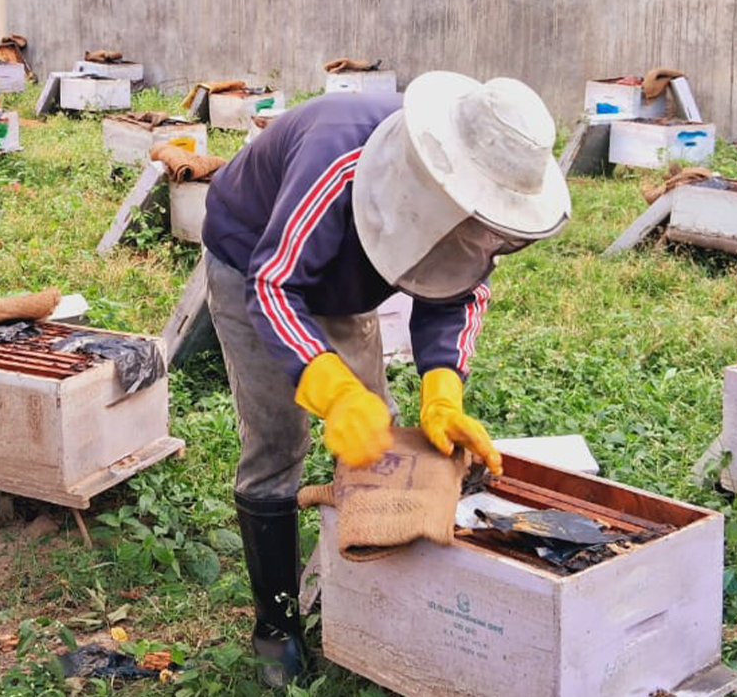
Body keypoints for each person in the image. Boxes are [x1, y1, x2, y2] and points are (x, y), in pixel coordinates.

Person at [200, 71, 571, 687]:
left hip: (341, 285)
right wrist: (332, 388)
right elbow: (274, 284)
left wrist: (442, 391)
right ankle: (276, 623)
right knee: (278, 442)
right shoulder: (338, 156)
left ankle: (370, 594)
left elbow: (454, 292)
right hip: (253, 264)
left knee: (382, 439)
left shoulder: (468, 207)